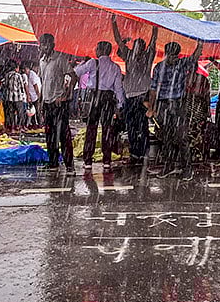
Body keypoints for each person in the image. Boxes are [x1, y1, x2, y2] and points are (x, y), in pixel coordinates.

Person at [149, 40, 204, 180]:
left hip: (178, 104)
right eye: (171, 56)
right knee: (166, 137)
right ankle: (168, 166)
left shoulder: (181, 63)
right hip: (163, 105)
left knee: (181, 137)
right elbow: (153, 89)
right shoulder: (159, 67)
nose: (173, 58)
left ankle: (187, 168)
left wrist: (200, 46)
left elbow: (194, 58)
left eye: (175, 56)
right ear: (167, 54)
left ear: (178, 55)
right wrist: (151, 108)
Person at [112, 17, 158, 164]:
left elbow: (153, 42)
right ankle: (136, 153)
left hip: (141, 97)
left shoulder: (147, 57)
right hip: (131, 97)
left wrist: (155, 29)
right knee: (132, 126)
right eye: (136, 45)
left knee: (142, 126)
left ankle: (142, 153)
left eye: (140, 46)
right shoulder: (129, 56)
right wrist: (114, 24)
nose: (138, 48)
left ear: (143, 48)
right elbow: (119, 41)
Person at [75, 40, 126, 171]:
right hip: (109, 99)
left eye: (97, 49)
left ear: (101, 50)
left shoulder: (93, 62)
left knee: (91, 129)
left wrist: (82, 62)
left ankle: (88, 160)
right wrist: (120, 105)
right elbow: (119, 88)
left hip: (95, 98)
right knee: (107, 129)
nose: (95, 51)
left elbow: (77, 72)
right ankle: (107, 160)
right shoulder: (115, 67)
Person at [38, 34, 75, 171]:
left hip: (59, 103)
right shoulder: (42, 61)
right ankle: (53, 163)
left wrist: (66, 95)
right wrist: (41, 101)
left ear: (52, 45)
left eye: (47, 44)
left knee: (63, 135)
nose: (45, 47)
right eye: (42, 44)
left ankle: (69, 164)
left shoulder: (60, 59)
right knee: (50, 134)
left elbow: (73, 76)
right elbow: (43, 82)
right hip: (47, 103)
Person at [2, 61, 28, 133]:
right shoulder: (18, 76)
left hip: (9, 97)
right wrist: (24, 95)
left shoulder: (7, 75)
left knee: (11, 113)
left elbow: (6, 85)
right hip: (18, 97)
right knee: (20, 113)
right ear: (16, 68)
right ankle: (19, 127)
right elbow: (22, 87)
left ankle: (12, 128)